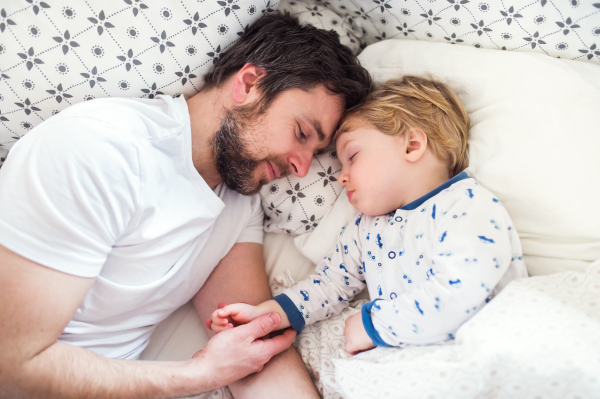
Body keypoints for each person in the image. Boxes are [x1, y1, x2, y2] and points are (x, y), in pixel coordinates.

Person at [0, 12, 372, 398]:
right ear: (248, 84)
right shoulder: (100, 151)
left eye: (316, 152)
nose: (301, 167)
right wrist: (200, 374)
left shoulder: (238, 205)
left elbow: (254, 346)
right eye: (301, 133)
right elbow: (12, 364)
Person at [208, 76, 528, 354]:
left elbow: (458, 294)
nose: (341, 176)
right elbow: (329, 285)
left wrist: (374, 325)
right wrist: (267, 315)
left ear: (412, 145)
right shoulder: (366, 229)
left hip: (481, 347)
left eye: (352, 156)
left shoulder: (466, 207)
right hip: (412, 357)